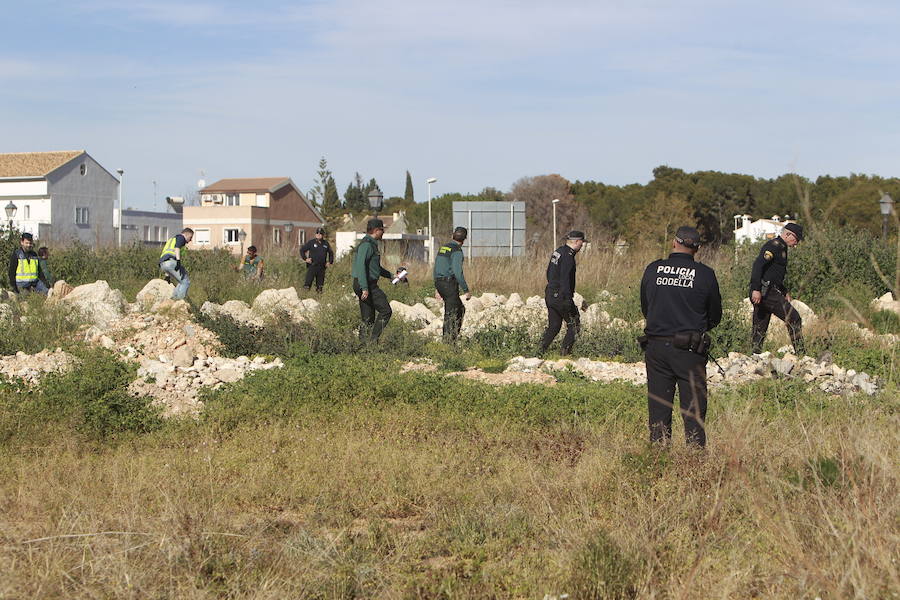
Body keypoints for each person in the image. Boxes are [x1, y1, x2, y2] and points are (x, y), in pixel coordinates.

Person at [639, 226, 722, 447]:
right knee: (694, 411)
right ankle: (694, 462)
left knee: (658, 411)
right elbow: (715, 315)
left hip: (656, 348)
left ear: (674, 243)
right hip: (689, 351)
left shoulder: (653, 269)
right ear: (697, 249)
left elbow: (646, 307)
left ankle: (658, 458)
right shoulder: (705, 274)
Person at [749, 223, 805, 355]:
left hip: (768, 290)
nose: (796, 243)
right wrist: (756, 289)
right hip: (765, 291)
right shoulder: (773, 246)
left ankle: (754, 355)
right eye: (796, 239)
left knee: (760, 326)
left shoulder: (782, 247)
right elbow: (758, 266)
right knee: (794, 318)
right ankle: (801, 354)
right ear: (788, 234)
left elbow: (773, 274)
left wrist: (784, 291)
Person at [538, 231, 586, 356]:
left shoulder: (558, 252)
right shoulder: (568, 257)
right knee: (574, 324)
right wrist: (567, 299)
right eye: (582, 242)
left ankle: (538, 351)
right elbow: (565, 279)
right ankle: (565, 354)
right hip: (561, 296)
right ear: (576, 242)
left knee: (554, 325)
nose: (582, 245)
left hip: (550, 293)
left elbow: (549, 272)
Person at [351, 219, 393, 341]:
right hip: (366, 284)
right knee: (386, 311)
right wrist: (364, 288)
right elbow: (361, 267)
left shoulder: (371, 244)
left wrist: (391, 276)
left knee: (368, 317)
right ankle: (373, 341)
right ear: (376, 230)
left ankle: (363, 345)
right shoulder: (366, 245)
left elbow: (375, 268)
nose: (383, 232)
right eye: (382, 230)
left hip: (365, 283)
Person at [433, 227, 471, 342]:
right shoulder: (457, 251)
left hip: (439, 282)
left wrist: (437, 288)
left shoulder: (443, 248)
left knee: (457, 309)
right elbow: (458, 272)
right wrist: (466, 290)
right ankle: (449, 342)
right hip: (449, 284)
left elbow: (436, 267)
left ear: (452, 236)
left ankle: (450, 339)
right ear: (464, 240)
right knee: (452, 313)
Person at [159, 228, 193, 300]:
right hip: (171, 262)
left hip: (163, 264)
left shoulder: (171, 240)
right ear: (186, 234)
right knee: (185, 282)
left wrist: (167, 275)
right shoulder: (181, 238)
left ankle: (173, 299)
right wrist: (178, 261)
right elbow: (177, 248)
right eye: (190, 237)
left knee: (181, 281)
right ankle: (178, 301)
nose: (190, 240)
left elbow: (166, 257)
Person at [300, 227, 334, 292]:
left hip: (322, 267)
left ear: (323, 235)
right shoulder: (311, 242)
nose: (318, 234)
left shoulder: (326, 244)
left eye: (320, 233)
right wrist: (305, 259)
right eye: (317, 233)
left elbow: (331, 253)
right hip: (312, 265)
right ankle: (304, 296)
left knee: (320, 286)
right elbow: (302, 250)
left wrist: (330, 262)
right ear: (315, 234)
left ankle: (318, 298)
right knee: (307, 284)